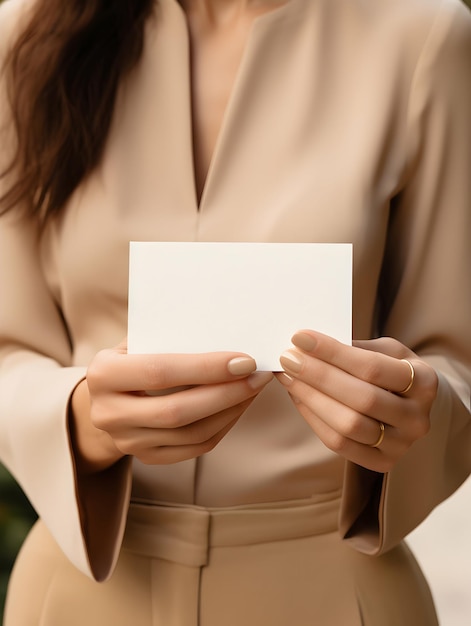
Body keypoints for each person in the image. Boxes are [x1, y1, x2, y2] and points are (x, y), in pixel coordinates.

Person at [0, 0, 470, 623]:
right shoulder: (25, 31)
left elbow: (457, 359)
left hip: (334, 594)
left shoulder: (424, 35)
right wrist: (82, 418)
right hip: (83, 593)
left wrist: (416, 408)